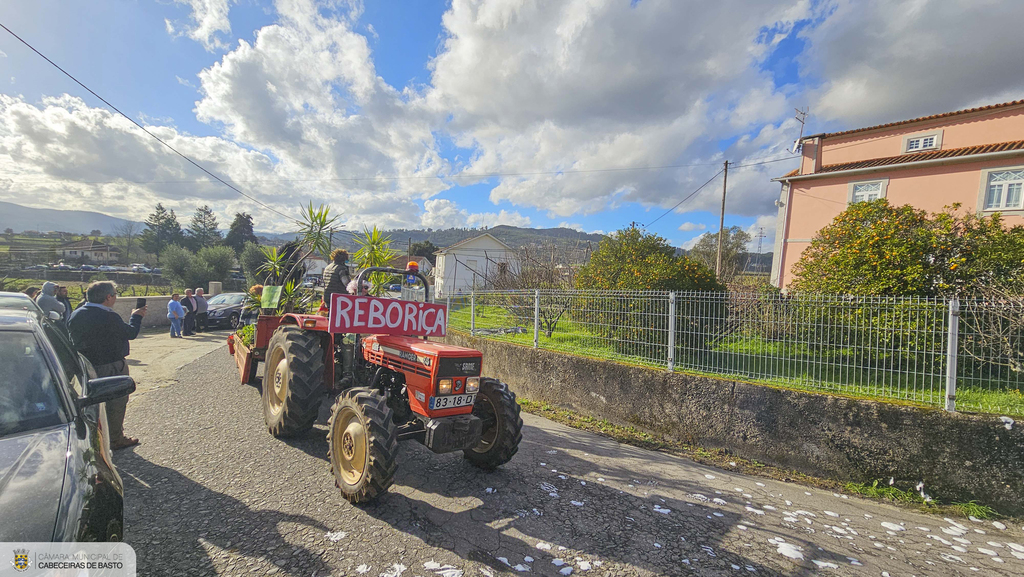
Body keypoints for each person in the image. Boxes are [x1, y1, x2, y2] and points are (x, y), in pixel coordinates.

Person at [68, 281, 146, 450]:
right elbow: (130, 333)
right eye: (115, 295)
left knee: (93, 403)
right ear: (108, 297)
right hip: (111, 365)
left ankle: (96, 437)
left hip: (87, 365)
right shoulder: (109, 316)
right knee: (116, 402)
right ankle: (115, 439)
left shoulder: (77, 314)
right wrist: (136, 316)